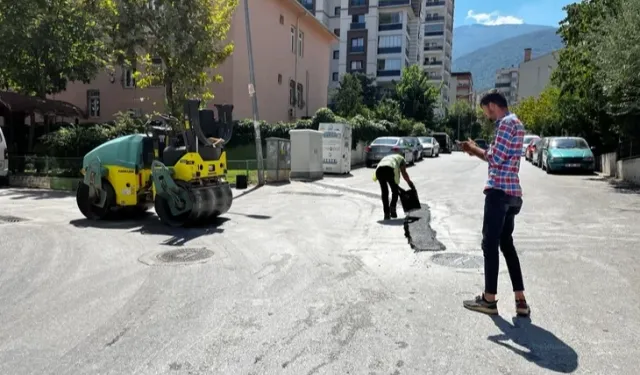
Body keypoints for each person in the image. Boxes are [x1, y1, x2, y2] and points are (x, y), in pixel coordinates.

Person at [459, 91, 531, 317]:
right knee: (506, 244)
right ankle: (520, 300)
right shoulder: (517, 123)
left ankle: (489, 299)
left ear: (491, 105)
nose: (487, 116)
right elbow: (502, 156)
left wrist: (473, 150)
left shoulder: (504, 123)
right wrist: (479, 151)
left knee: (489, 244)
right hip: (512, 194)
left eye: (485, 111)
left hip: (498, 192)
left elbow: (495, 158)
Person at [372, 153, 415, 220]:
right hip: (389, 170)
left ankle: (386, 214)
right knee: (395, 192)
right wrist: (410, 183)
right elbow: (404, 173)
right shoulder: (402, 159)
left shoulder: (388, 157)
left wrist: (399, 188)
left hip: (379, 171)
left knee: (385, 192)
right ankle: (392, 209)